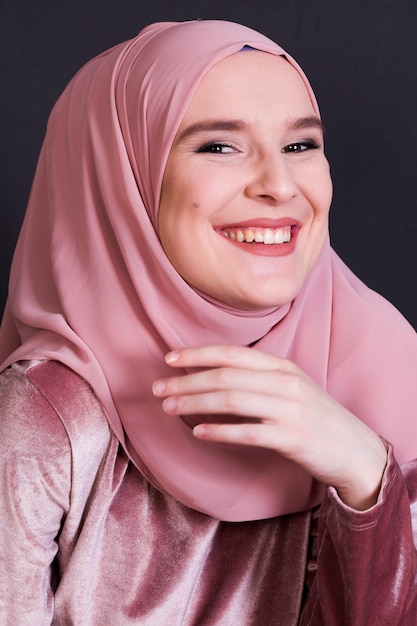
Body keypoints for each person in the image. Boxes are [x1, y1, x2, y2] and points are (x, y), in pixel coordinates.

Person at [0, 19, 416, 625]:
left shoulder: (390, 363)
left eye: (300, 145)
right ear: (124, 180)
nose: (279, 186)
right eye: (219, 146)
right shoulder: (49, 417)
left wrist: (365, 476)